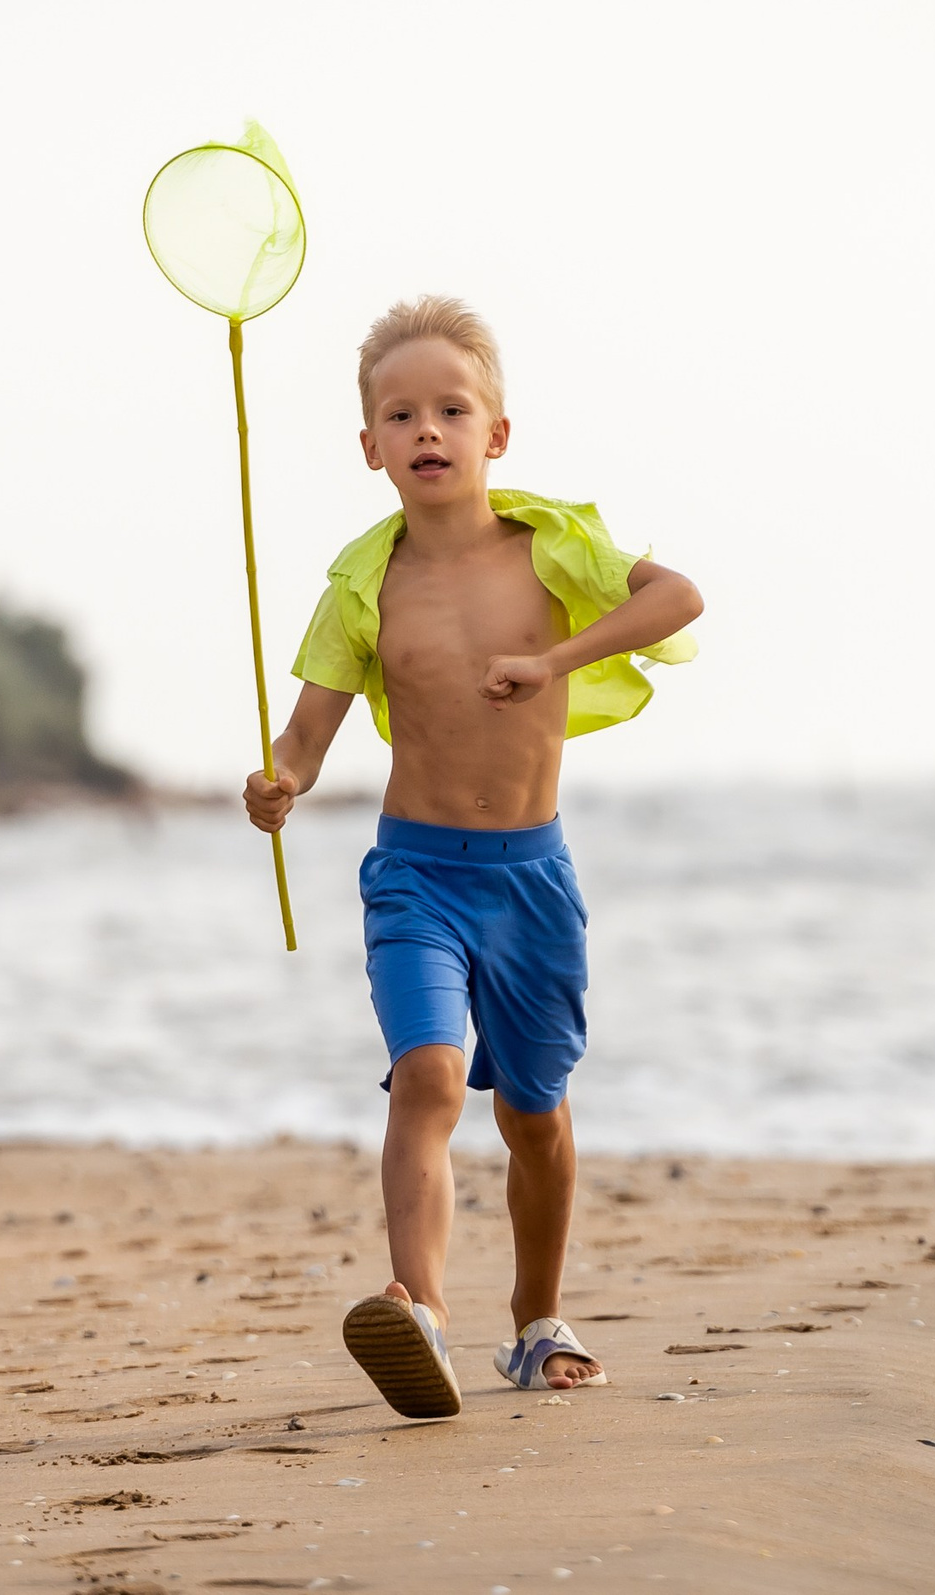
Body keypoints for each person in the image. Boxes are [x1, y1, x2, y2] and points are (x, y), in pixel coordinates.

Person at [243, 295, 704, 1418]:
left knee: (535, 1113)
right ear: (371, 450)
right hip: (415, 875)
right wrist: (280, 782)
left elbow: (678, 600)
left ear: (496, 434)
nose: (427, 430)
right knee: (429, 1076)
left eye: (452, 408)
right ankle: (422, 1317)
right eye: (401, 415)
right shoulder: (364, 585)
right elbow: (308, 733)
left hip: (529, 878)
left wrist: (557, 660)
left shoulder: (553, 547)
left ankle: (536, 1323)